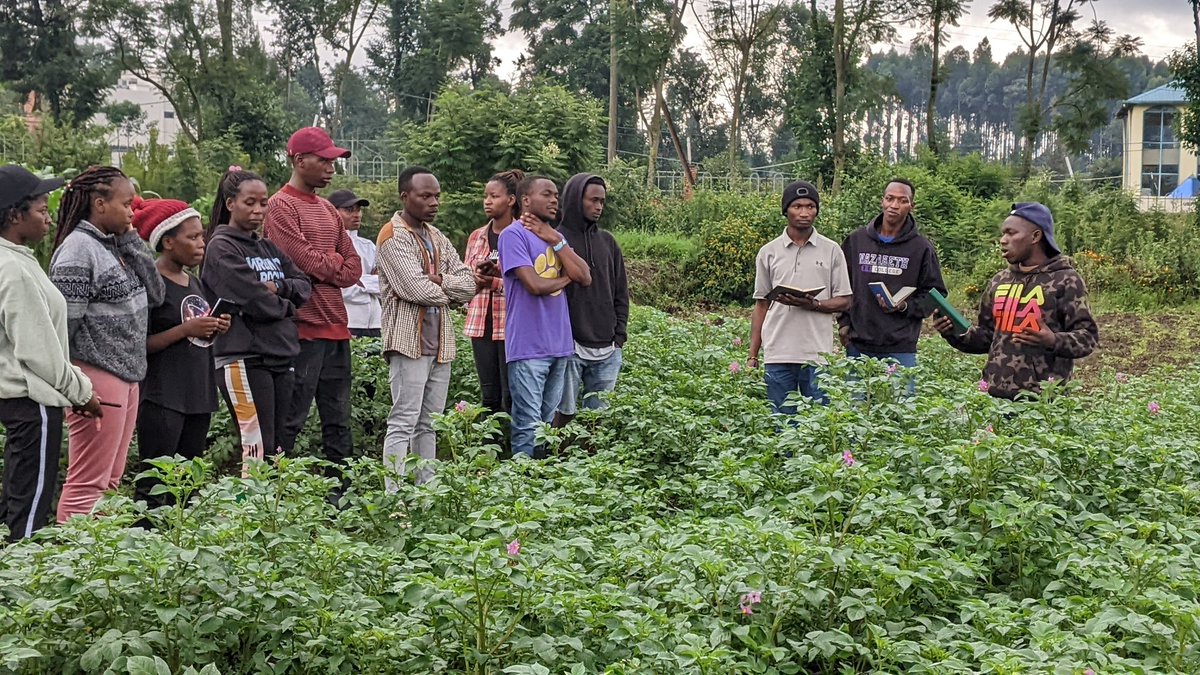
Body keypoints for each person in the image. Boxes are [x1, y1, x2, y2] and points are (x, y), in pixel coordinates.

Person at [50, 166, 166, 523]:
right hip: (96, 377)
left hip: (126, 376)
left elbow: (158, 295)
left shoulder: (114, 245)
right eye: (126, 204)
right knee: (88, 483)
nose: (133, 212)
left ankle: (99, 564)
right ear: (99, 204)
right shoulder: (77, 251)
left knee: (110, 481)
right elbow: (63, 329)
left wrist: (132, 240)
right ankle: (69, 559)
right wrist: (75, 388)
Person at [0, 165, 101, 540]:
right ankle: (20, 590)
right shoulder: (14, 270)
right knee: (30, 508)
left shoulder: (15, 259)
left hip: (15, 399)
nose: (49, 217)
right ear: (15, 215)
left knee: (14, 497)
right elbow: (39, 352)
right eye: (41, 209)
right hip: (32, 402)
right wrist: (82, 392)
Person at [264, 127, 361, 476]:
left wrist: (325, 266)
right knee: (291, 419)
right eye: (324, 160)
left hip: (336, 329)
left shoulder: (329, 210)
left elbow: (354, 268)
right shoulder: (279, 206)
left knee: (339, 421)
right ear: (298, 160)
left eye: (333, 160)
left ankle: (342, 494)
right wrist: (329, 263)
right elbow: (301, 261)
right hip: (301, 330)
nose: (332, 167)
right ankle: (275, 493)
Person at [202, 169, 312, 475]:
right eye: (250, 202)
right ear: (230, 203)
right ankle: (247, 518)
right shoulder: (221, 247)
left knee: (279, 447)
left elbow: (303, 284)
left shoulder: (267, 248)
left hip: (279, 353)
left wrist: (280, 289)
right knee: (256, 446)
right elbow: (253, 299)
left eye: (263, 203)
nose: (258, 210)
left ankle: (273, 517)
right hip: (243, 359)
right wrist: (288, 306)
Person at [933, 202, 1098, 399]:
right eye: (1003, 233)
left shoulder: (1066, 280)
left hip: (1042, 402)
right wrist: (953, 332)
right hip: (994, 398)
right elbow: (987, 338)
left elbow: (1087, 338)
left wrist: (1052, 339)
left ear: (1035, 236)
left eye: (1011, 233)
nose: (1003, 240)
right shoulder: (999, 281)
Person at [376, 167, 474, 488]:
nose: (434, 202)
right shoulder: (392, 236)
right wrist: (449, 289)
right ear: (405, 197)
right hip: (408, 343)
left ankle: (426, 489)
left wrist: (441, 280)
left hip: (440, 344)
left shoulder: (437, 237)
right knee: (403, 420)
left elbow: (470, 282)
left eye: (436, 196)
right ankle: (395, 492)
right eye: (425, 196)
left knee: (429, 423)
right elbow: (413, 288)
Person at [131, 197, 230, 510]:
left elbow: (195, 331)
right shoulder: (150, 284)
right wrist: (187, 330)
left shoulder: (194, 282)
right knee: (156, 484)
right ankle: (146, 546)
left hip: (197, 394)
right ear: (168, 242)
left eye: (202, 235)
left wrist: (214, 325)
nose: (202, 243)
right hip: (163, 397)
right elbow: (139, 344)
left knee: (187, 483)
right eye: (193, 237)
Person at [499, 176, 591, 458]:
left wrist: (556, 240)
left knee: (547, 424)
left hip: (560, 345)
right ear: (526, 200)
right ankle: (522, 488)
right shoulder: (513, 235)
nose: (554, 200)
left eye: (556, 196)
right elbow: (535, 285)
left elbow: (585, 276)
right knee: (527, 423)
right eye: (547, 194)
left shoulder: (555, 238)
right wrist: (565, 279)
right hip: (528, 347)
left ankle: (541, 485)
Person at [747, 180, 852, 413]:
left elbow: (845, 300)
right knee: (782, 424)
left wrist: (814, 303)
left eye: (810, 206)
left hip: (817, 354)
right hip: (777, 353)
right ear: (786, 210)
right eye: (797, 206)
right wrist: (752, 355)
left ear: (816, 210)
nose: (804, 213)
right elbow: (762, 304)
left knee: (818, 425)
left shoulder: (832, 250)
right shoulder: (769, 252)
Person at [838, 178, 946, 388]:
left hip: (900, 346)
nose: (894, 205)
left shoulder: (921, 248)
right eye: (890, 199)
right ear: (882, 201)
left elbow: (936, 294)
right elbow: (841, 284)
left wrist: (906, 306)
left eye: (902, 201)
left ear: (911, 206)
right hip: (858, 344)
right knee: (856, 413)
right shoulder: (856, 241)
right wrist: (843, 323)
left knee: (900, 412)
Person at [555, 173, 629, 425]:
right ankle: (557, 460)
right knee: (562, 413)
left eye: (602, 201)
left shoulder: (607, 242)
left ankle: (591, 462)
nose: (598, 207)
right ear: (576, 199)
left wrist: (619, 335)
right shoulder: (556, 240)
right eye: (593, 200)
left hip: (607, 346)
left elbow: (621, 291)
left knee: (596, 419)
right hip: (569, 346)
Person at [464, 169, 523, 421]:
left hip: (511, 324)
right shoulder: (477, 236)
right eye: (485, 196)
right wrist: (476, 279)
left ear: (511, 200)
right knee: (488, 395)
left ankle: (513, 451)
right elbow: (465, 272)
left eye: (494, 196)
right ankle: (490, 450)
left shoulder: (523, 234)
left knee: (510, 395)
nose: (487, 201)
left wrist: (496, 282)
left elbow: (526, 281)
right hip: (481, 324)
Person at [331, 188, 382, 338]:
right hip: (348, 322)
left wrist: (360, 281)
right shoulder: (328, 245)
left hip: (376, 323)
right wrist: (370, 281)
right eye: (349, 210)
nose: (357, 214)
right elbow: (341, 288)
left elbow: (387, 282)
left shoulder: (368, 246)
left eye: (359, 210)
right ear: (333, 212)